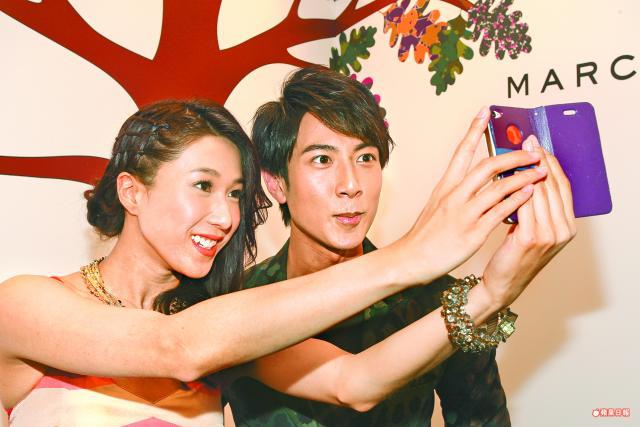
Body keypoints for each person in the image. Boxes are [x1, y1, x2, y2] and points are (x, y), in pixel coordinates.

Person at [0, 95, 560, 426]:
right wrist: (410, 256)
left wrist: (492, 293)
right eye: (203, 185)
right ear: (132, 192)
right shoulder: (25, 304)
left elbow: (356, 382)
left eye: (236, 194)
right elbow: (177, 349)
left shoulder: (220, 319)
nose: (226, 215)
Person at [222, 67, 576, 426]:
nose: (350, 184)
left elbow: (483, 419)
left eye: (365, 158)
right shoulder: (236, 302)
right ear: (276, 184)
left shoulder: (439, 301)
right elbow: (351, 383)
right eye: (323, 160)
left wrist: (488, 296)